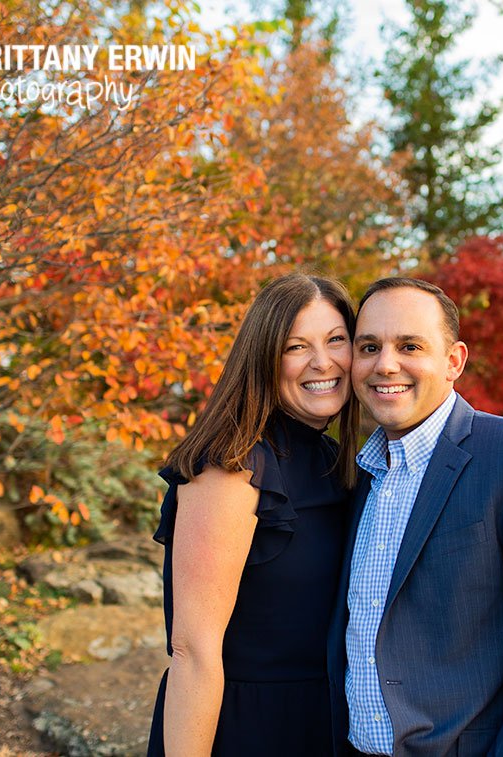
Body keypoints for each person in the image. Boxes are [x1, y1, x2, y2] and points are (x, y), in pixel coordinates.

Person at [327, 277, 503, 757]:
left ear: (453, 360)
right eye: (369, 346)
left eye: (409, 345)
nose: (385, 364)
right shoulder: (356, 475)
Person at [147, 273, 360, 757]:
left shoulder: (335, 462)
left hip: (324, 723)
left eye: (336, 340)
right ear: (264, 358)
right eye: (295, 347)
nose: (322, 362)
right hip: (245, 729)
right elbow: (193, 651)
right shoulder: (231, 468)